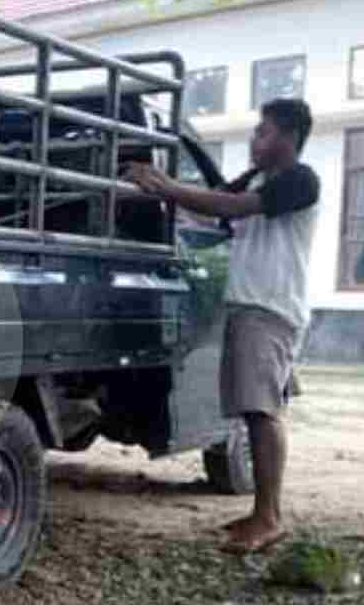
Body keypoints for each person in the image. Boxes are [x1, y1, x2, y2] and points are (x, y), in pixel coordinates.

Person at [125, 98, 320, 554]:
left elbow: (229, 207)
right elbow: (210, 211)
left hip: (271, 309)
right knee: (253, 410)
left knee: (263, 411)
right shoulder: (257, 179)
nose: (255, 140)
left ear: (289, 138)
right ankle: (260, 513)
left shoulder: (300, 180)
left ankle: (269, 518)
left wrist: (169, 185)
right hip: (248, 306)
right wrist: (155, 190)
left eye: (263, 132)